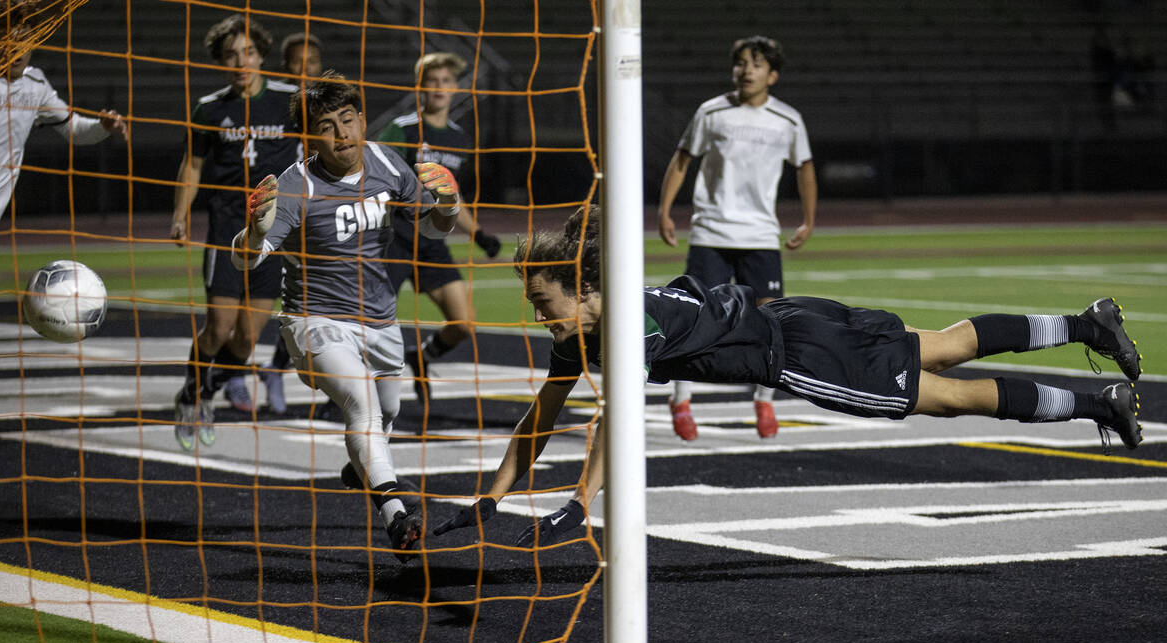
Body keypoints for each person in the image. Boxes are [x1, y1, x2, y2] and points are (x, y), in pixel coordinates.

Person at [433, 206, 1143, 546]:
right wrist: (491, 499)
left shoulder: (627, 327)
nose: (537, 318)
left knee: (950, 398)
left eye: (543, 303)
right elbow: (539, 421)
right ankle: (1088, 326)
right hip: (800, 317)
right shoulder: (592, 326)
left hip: (800, 357)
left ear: (584, 289)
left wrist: (581, 500)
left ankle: (1097, 405)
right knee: (949, 345)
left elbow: (614, 420)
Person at [233, 72, 460, 559]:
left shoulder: (386, 161)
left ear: (361, 119)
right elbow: (246, 259)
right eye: (328, 126)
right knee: (363, 405)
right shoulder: (295, 185)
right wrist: (252, 231)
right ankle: (397, 514)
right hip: (313, 321)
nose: (343, 135)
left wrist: (448, 206)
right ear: (309, 137)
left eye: (349, 119)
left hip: (380, 321)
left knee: (387, 414)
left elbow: (433, 229)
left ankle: (361, 470)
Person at [657, 36, 818, 442]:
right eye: (741, 63)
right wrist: (664, 211)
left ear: (773, 75)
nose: (747, 70)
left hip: (761, 236)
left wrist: (808, 220)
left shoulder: (788, 120)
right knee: (697, 315)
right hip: (711, 229)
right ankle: (681, 399)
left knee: (772, 319)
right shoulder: (712, 112)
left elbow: (805, 169)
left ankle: (764, 398)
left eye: (757, 64)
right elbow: (682, 160)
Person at [169, 14, 299, 448]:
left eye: (248, 52)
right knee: (218, 328)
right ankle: (192, 395)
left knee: (246, 340)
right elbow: (192, 165)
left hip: (274, 231)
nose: (241, 61)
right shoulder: (210, 108)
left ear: (261, 55)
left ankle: (205, 390)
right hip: (225, 227)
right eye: (231, 54)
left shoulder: (290, 102)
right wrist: (180, 215)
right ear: (222, 61)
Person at [0, 0, 127, 351]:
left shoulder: (35, 86)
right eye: (10, 41)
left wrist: (104, 127)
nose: (19, 49)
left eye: (25, 40)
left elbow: (73, 129)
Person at [379, 51, 502, 404]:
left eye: (445, 81)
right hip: (396, 240)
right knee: (373, 321)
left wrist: (479, 234)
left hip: (432, 242)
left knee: (463, 325)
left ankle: (422, 357)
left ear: (455, 88)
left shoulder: (459, 138)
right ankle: (342, 396)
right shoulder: (402, 129)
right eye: (431, 81)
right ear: (420, 87)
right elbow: (381, 180)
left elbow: (453, 197)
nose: (438, 87)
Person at [247, 30, 328, 417]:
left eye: (311, 61)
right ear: (285, 66)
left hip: (319, 213)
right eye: (297, 62)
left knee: (321, 297)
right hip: (285, 212)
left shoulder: (327, 107)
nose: (304, 68)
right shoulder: (275, 107)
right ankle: (269, 370)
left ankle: (279, 369)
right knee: (292, 298)